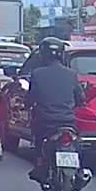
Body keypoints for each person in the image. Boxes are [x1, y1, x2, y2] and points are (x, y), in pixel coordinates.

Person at [24, 37, 85, 183]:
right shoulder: (72, 74)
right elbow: (81, 98)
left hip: (45, 121)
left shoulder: (37, 73)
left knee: (38, 142)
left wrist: (27, 105)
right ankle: (79, 170)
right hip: (67, 120)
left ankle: (40, 163)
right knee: (77, 143)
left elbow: (31, 97)